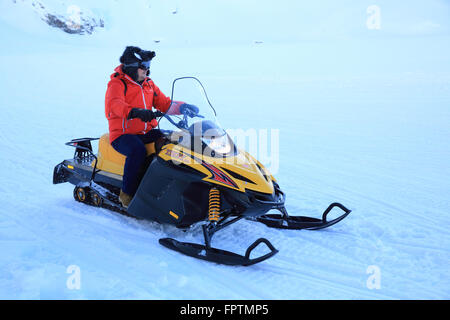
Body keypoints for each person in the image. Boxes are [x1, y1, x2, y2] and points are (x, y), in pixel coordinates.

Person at [105, 46, 198, 208]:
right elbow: (114, 105)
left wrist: (183, 107)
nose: (147, 71)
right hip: (122, 135)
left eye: (148, 67)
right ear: (133, 67)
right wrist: (135, 112)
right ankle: (127, 194)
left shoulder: (148, 84)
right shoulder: (117, 84)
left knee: (174, 139)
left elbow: (164, 103)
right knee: (137, 150)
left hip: (146, 131)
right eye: (144, 67)